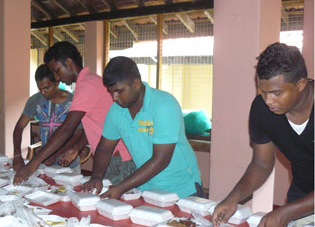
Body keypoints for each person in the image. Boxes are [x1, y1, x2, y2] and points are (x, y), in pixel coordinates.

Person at [212, 43, 314, 227]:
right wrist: (233, 198)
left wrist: (285, 213)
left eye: (277, 93)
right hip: (303, 196)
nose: (269, 101)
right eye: (263, 91)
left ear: (300, 85)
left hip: (297, 206)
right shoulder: (262, 109)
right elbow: (261, 163)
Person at [14, 42, 135, 185]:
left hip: (118, 158)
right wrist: (76, 147)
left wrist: (33, 163)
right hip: (112, 156)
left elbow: (67, 128)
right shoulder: (90, 81)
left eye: (57, 70)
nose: (57, 77)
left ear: (69, 63)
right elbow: (97, 126)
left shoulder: (86, 86)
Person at [82, 56, 202, 199]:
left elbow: (161, 159)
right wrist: (96, 177)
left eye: (119, 91)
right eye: (111, 92)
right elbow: (105, 148)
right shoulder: (117, 110)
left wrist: (121, 187)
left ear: (136, 84)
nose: (114, 98)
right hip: (146, 188)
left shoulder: (164, 106)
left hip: (181, 189)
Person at [12, 64, 84, 172]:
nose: (43, 92)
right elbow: (19, 128)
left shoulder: (73, 101)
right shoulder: (35, 100)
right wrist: (17, 155)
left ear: (57, 82)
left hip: (68, 161)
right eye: (40, 88)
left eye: (47, 88)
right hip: (45, 162)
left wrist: (55, 153)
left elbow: (77, 133)